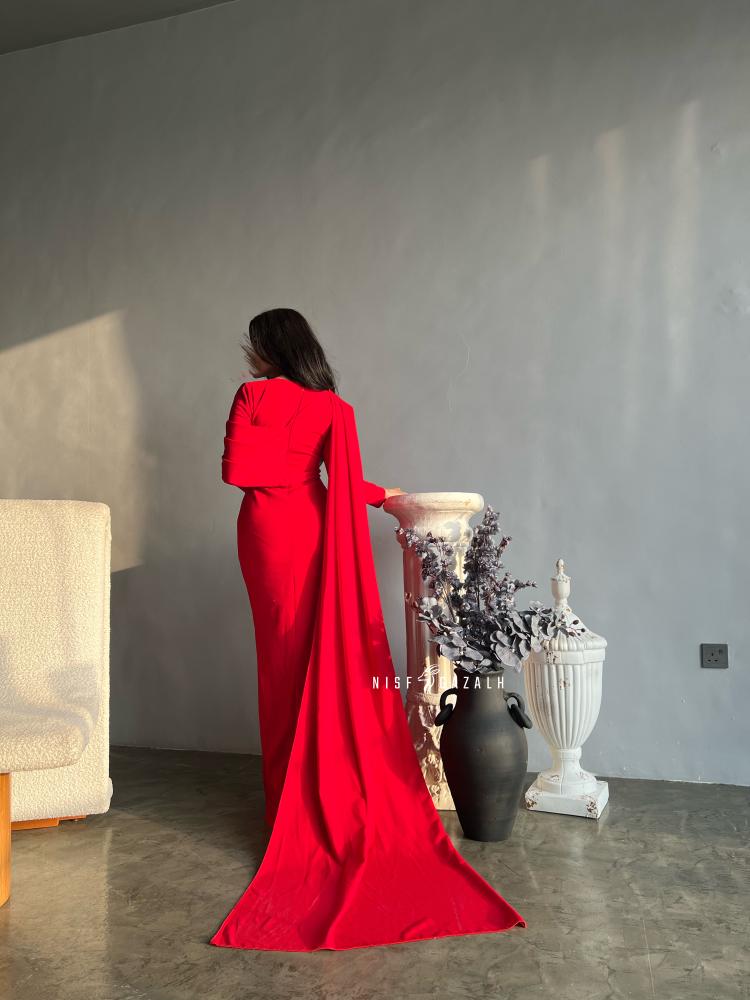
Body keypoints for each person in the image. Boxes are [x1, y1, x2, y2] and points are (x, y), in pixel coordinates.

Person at [211, 307, 525, 951]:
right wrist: (376, 492)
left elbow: (237, 472)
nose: (248, 355)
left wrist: (281, 464)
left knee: (280, 663)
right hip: (310, 527)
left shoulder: (252, 396)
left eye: (252, 344)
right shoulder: (334, 409)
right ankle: (312, 796)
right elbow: (339, 482)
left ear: (268, 347)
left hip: (267, 536)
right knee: (315, 661)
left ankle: (284, 808)